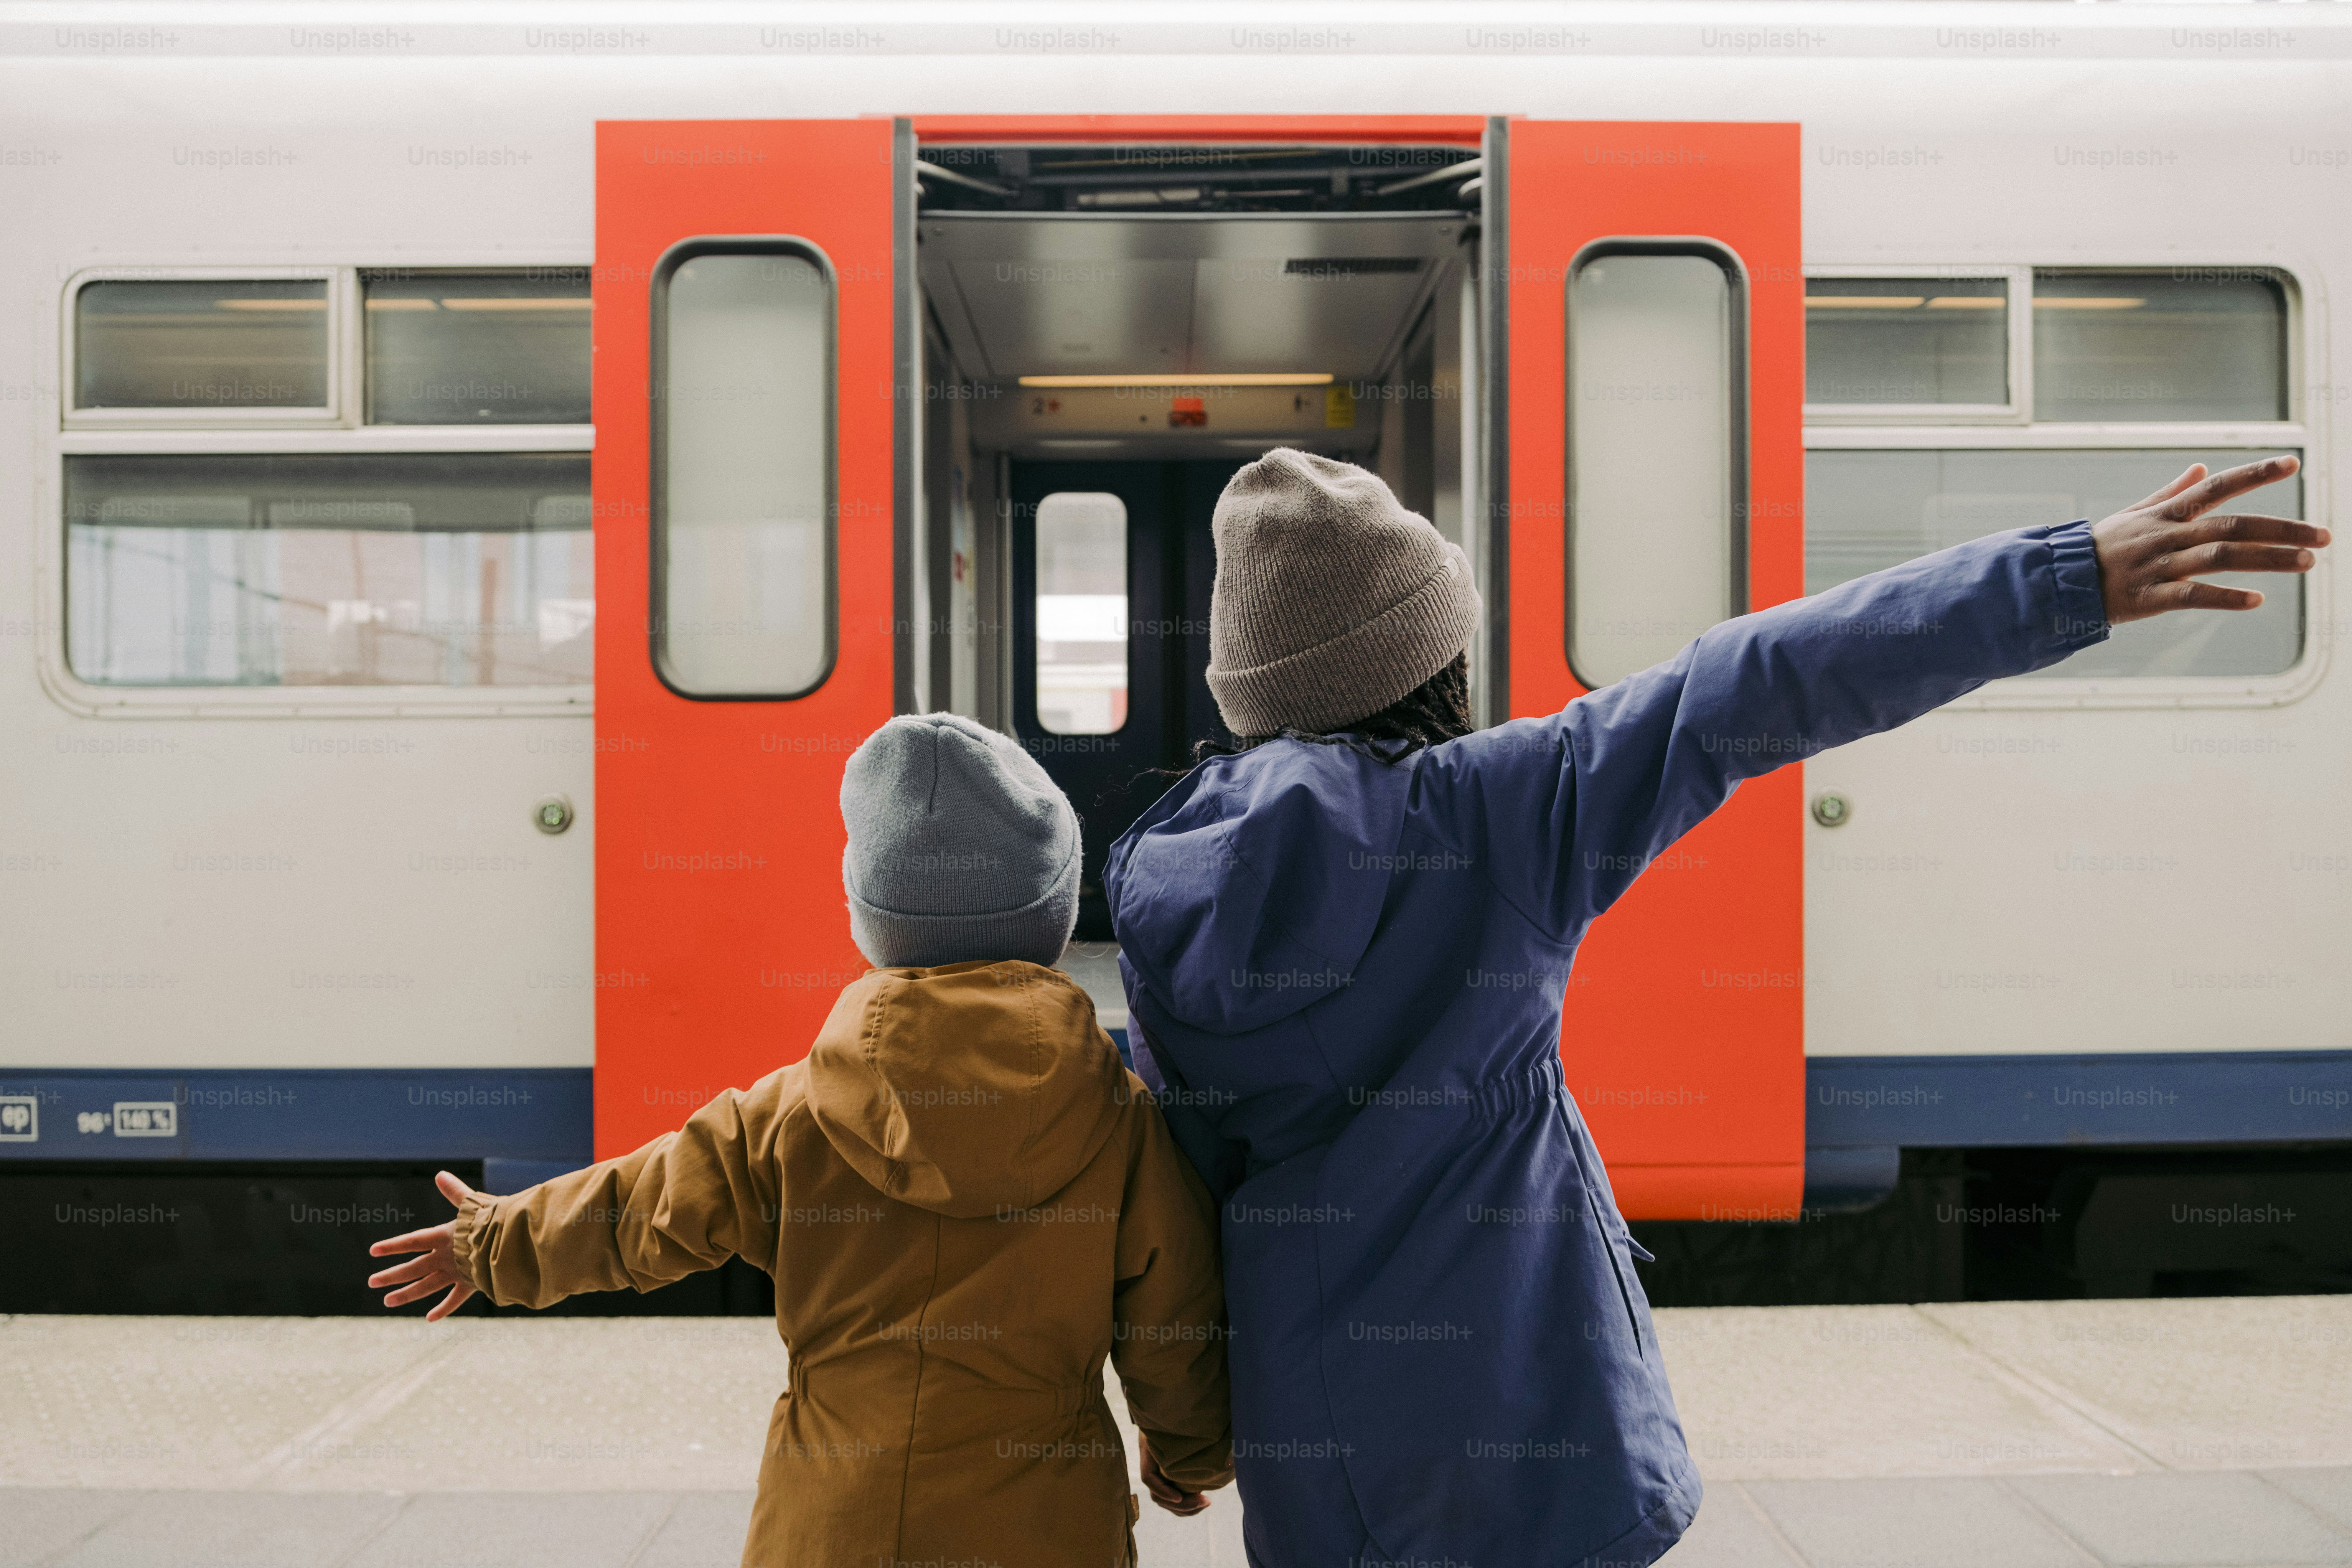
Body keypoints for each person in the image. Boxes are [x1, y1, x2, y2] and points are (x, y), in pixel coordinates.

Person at [1101, 448, 2324, 1568]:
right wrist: (2057, 580)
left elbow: (1178, 1196)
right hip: (1525, 1423)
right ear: (1430, 664)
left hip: (1320, 1449)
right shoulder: (1495, 814)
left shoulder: (1160, 885)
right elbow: (1749, 681)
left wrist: (1184, 1416)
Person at [368, 714, 1234, 1568]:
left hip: (830, 1524)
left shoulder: (791, 1112)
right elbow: (1175, 1325)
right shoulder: (1120, 1123)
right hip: (1043, 1529)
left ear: (871, 914)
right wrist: (1188, 1456)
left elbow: (640, 1209)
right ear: (1053, 913)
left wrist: (493, 1241)